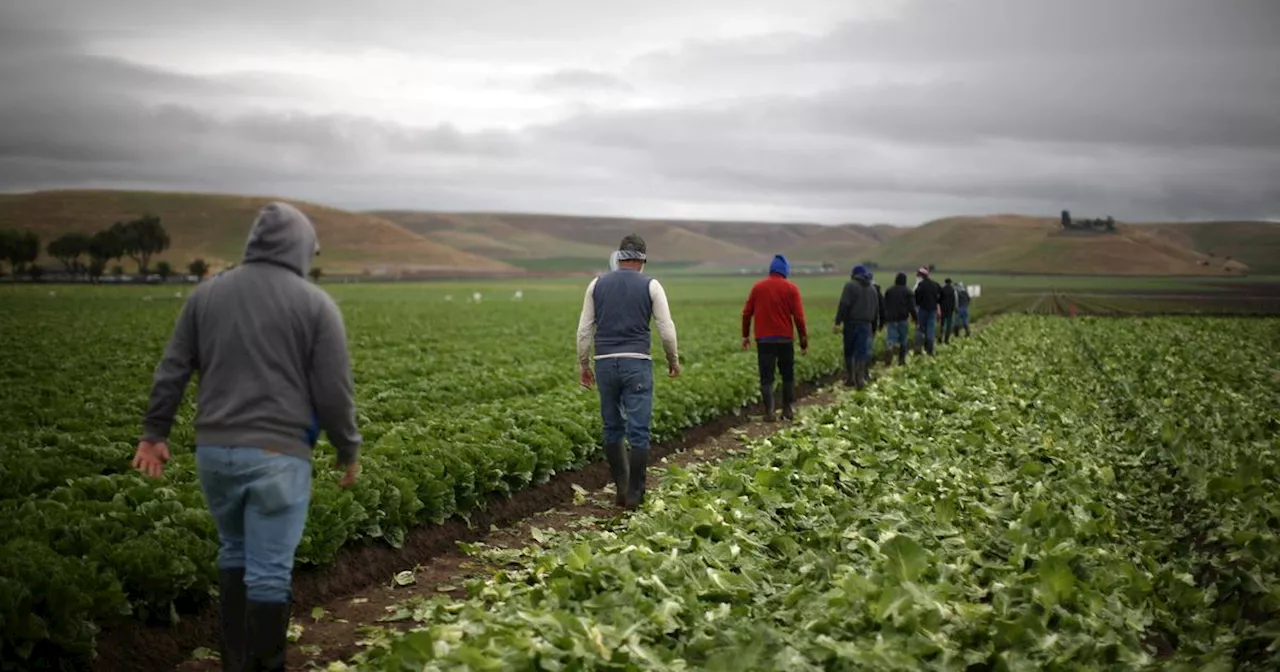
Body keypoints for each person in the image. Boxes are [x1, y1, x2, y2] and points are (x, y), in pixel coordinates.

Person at [132, 202, 362, 672]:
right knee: (270, 569)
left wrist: (154, 432)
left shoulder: (206, 295)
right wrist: (347, 447)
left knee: (235, 550)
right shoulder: (315, 304)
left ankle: (235, 664)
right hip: (279, 452)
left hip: (215, 453)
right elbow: (333, 391)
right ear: (301, 248)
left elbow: (173, 369)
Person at [577, 234, 680, 509]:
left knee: (612, 427)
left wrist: (584, 365)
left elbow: (584, 331)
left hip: (606, 363)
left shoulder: (596, 284)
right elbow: (666, 330)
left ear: (620, 256)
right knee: (639, 431)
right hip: (637, 364)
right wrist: (673, 359)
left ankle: (621, 489)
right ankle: (635, 493)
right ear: (643, 259)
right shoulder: (652, 285)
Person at [742, 254, 808, 422]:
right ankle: (788, 410)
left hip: (764, 340)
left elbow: (747, 313)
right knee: (788, 375)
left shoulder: (758, 288)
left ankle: (769, 412)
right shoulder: (792, 289)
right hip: (785, 339)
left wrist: (745, 335)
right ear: (785, 271)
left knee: (766, 376)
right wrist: (803, 341)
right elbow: (799, 318)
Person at [833, 264, 878, 389]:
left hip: (851, 323)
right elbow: (876, 311)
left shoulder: (850, 286)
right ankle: (860, 378)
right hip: (867, 324)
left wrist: (837, 322)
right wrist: (874, 328)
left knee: (849, 350)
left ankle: (851, 378)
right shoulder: (872, 289)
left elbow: (844, 305)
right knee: (861, 352)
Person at [882, 272, 916, 366]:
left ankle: (889, 349)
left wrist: (884, 319)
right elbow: (912, 307)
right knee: (903, 340)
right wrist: (914, 318)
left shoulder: (889, 291)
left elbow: (885, 305)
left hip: (891, 319)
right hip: (902, 318)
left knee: (890, 338)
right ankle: (901, 361)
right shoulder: (908, 291)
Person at [913, 267, 943, 355]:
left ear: (921, 276)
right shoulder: (935, 284)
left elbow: (916, 297)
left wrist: (918, 305)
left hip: (922, 309)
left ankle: (918, 347)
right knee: (930, 328)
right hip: (932, 309)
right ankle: (930, 348)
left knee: (920, 328)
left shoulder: (920, 285)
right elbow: (940, 296)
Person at [940, 278, 958, 345]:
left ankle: (940, 337)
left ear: (945, 282)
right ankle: (946, 339)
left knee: (942, 324)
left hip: (943, 309)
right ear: (950, 283)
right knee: (948, 325)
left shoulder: (942, 289)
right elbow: (955, 300)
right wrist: (955, 308)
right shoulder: (953, 290)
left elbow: (939, 299)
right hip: (950, 310)